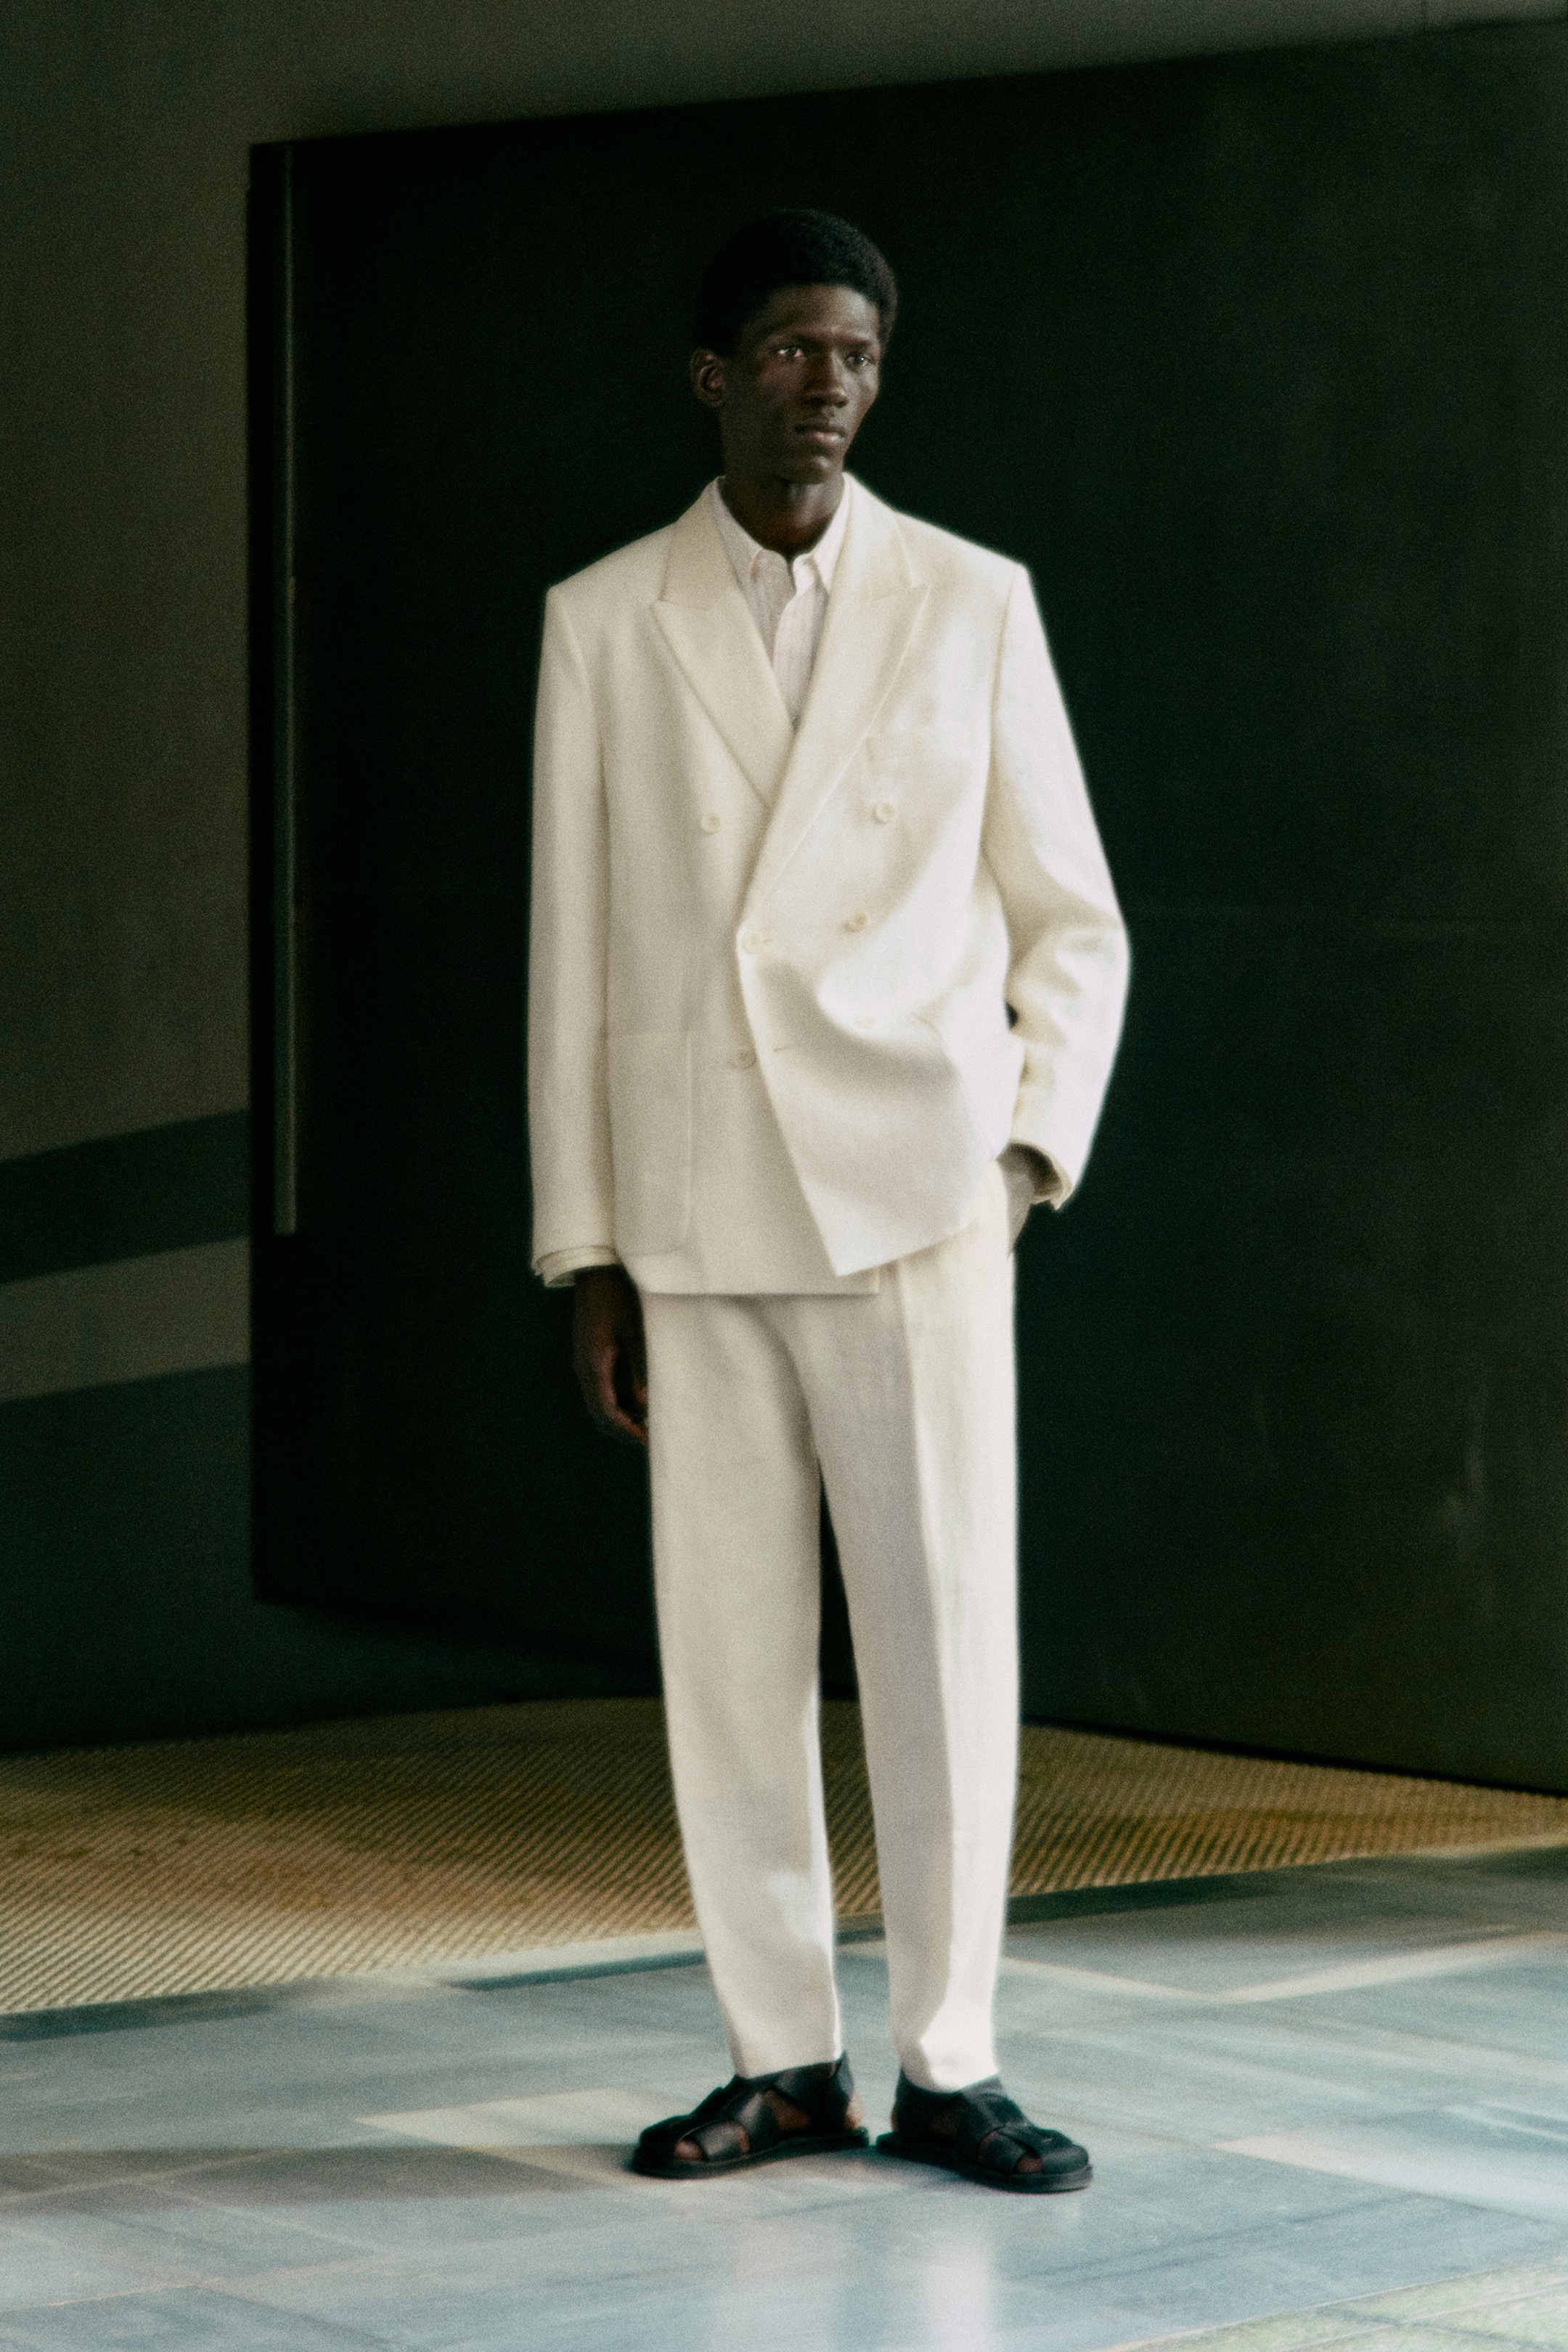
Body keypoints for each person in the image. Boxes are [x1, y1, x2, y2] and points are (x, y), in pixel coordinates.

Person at [528, 211, 1128, 2192]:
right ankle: (782, 2058)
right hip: (698, 1210)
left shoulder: (973, 602)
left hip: (919, 1205)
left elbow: (1074, 922)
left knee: (950, 1637)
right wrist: (584, 1244)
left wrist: (1025, 1152)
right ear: (715, 376)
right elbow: (579, 962)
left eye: (857, 355)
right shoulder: (605, 618)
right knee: (726, 1654)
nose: (828, 385)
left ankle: (951, 2059)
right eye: (790, 350)